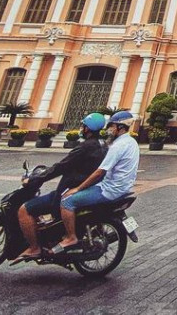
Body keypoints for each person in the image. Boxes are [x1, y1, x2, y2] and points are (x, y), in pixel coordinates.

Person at [11, 112, 107, 264]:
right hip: (86, 188)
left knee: (24, 210)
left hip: (69, 190)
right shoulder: (103, 145)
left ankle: (35, 248)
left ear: (88, 129)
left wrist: (36, 179)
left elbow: (61, 167)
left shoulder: (84, 147)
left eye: (83, 126)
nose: (81, 128)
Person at [53, 110, 140, 255]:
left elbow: (100, 171)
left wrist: (78, 188)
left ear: (120, 127)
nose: (108, 129)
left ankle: (71, 237)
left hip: (109, 190)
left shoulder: (118, 146)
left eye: (111, 126)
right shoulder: (131, 142)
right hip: (122, 188)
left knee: (67, 200)